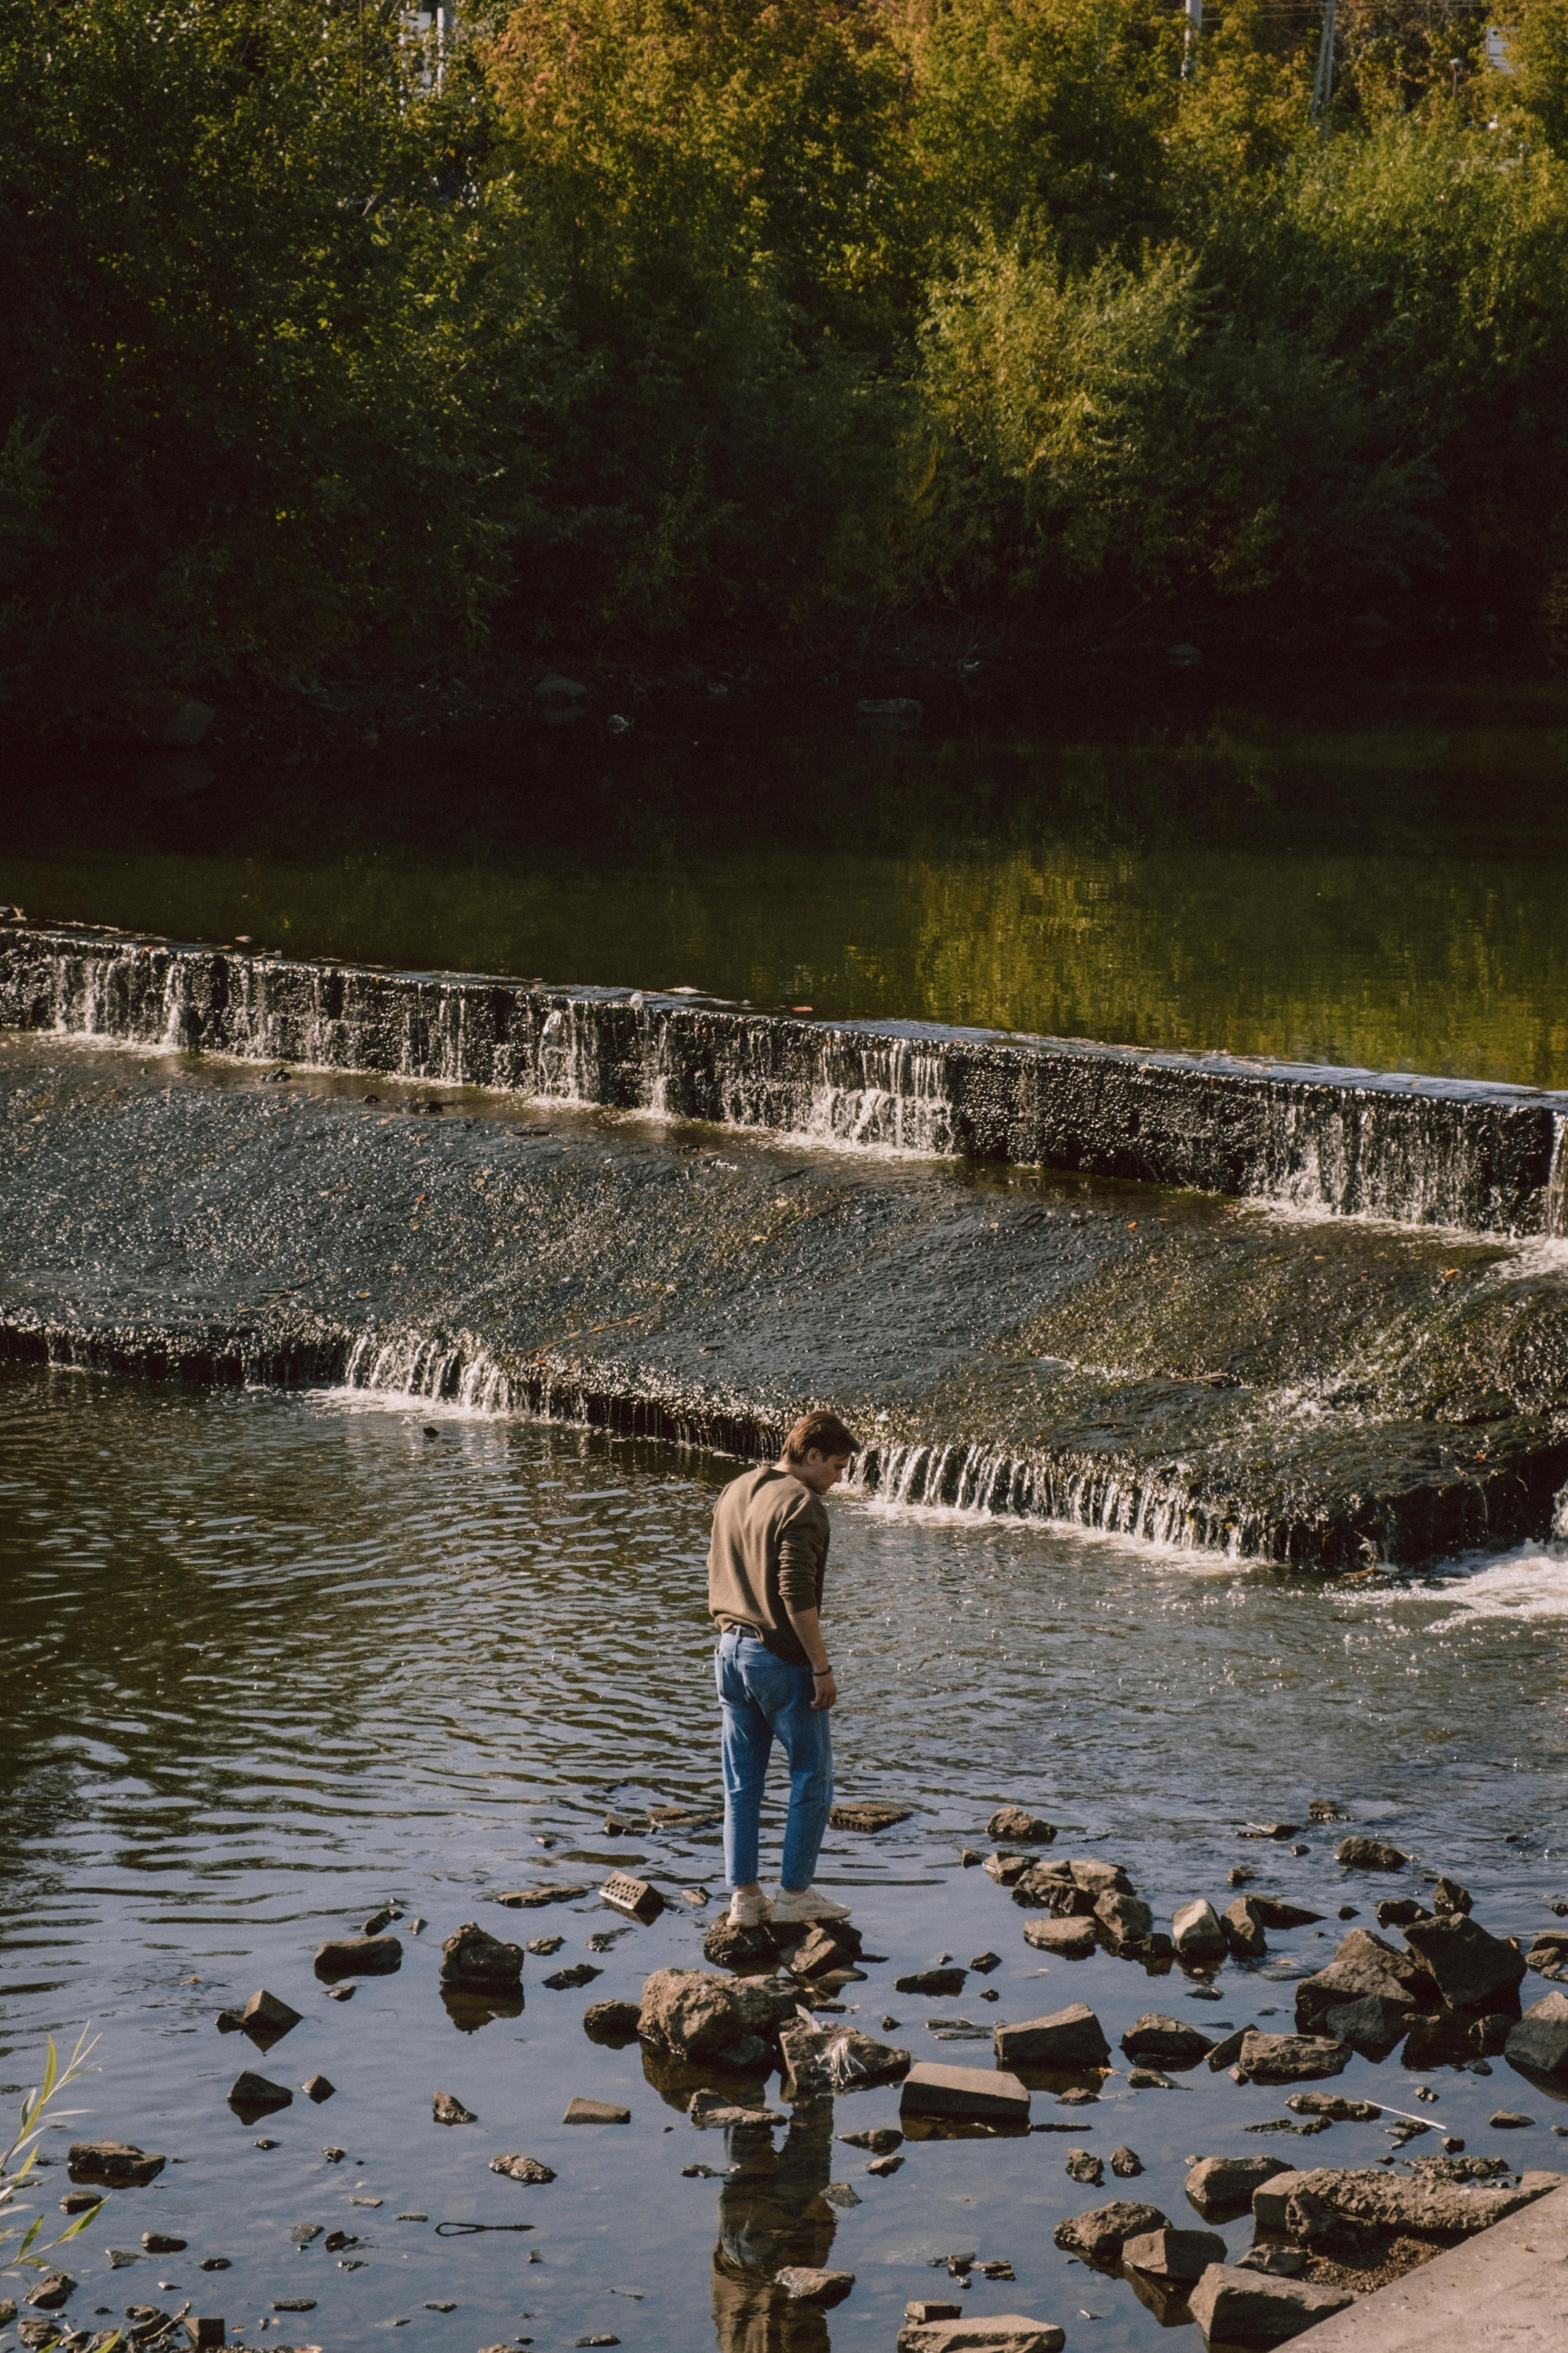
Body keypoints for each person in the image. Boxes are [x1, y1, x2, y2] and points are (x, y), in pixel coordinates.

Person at [708, 1409, 858, 1928]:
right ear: (811, 1455)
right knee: (811, 1775)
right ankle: (795, 1894)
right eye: (837, 1466)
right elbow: (796, 1595)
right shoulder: (803, 1505)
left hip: (728, 1650)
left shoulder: (736, 1488)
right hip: (779, 1657)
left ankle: (745, 1899)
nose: (840, 1478)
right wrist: (821, 1667)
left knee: (742, 1781)